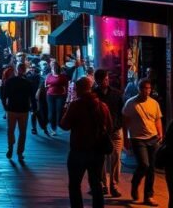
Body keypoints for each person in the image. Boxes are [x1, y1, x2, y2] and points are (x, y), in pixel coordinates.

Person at [60, 76, 112, 208]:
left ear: (79, 89)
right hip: (97, 150)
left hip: (79, 149)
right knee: (96, 182)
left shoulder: (76, 105)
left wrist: (65, 109)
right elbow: (110, 126)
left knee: (75, 184)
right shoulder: (102, 106)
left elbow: (64, 125)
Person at [122, 78, 162, 206]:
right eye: (144, 88)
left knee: (151, 168)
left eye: (149, 88)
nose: (146, 91)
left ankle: (148, 196)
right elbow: (125, 121)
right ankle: (135, 182)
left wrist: (160, 133)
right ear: (139, 89)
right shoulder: (131, 103)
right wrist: (125, 138)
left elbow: (157, 119)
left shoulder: (154, 103)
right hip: (137, 138)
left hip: (153, 138)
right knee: (144, 164)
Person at [93, 68, 124, 198]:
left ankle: (114, 184)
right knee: (102, 159)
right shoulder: (93, 94)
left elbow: (122, 112)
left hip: (116, 130)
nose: (105, 82)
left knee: (116, 157)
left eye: (106, 79)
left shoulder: (116, 94)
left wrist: (119, 125)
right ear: (97, 81)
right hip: (100, 131)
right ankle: (104, 184)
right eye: (102, 80)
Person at [1, 62, 33, 161]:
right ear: (24, 71)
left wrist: (5, 107)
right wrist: (32, 108)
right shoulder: (28, 82)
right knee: (22, 132)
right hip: (23, 109)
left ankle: (11, 146)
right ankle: (19, 152)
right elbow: (31, 97)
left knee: (10, 130)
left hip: (12, 108)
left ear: (17, 70)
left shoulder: (10, 81)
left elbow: (4, 95)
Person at [45, 61, 69, 136]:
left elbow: (66, 86)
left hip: (60, 95)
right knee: (51, 113)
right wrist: (48, 88)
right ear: (51, 68)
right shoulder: (49, 75)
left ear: (57, 68)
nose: (54, 68)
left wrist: (67, 97)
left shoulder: (63, 76)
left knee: (59, 112)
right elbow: (45, 85)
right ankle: (53, 128)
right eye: (52, 67)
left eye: (55, 67)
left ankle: (58, 126)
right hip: (50, 95)